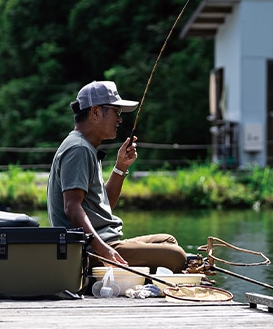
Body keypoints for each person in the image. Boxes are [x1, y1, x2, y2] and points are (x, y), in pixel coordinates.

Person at [47, 80, 187, 273]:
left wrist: (121, 167)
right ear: (95, 112)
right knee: (177, 256)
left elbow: (104, 208)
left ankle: (142, 272)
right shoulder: (78, 149)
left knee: (168, 241)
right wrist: (104, 251)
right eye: (116, 112)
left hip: (106, 243)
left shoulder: (86, 147)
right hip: (89, 252)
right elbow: (71, 207)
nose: (120, 120)